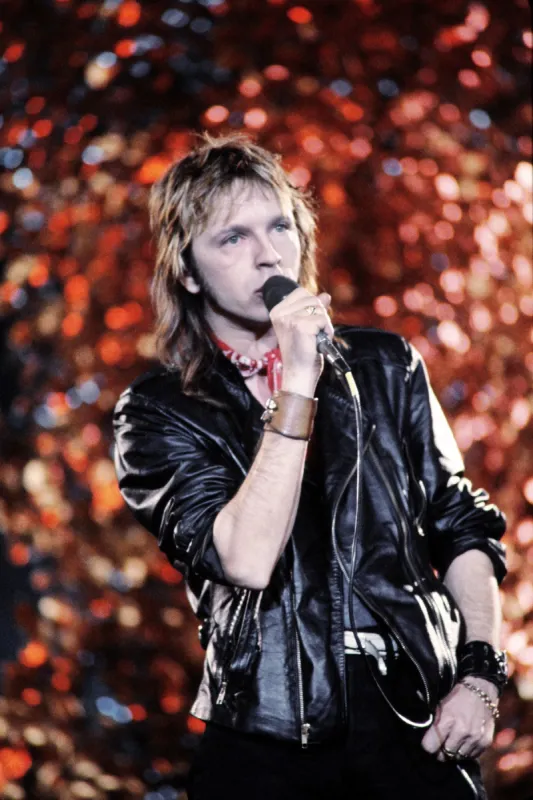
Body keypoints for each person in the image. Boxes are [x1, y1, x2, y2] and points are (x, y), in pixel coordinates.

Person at [113, 133, 508, 800]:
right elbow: (245, 557)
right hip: (267, 735)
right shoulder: (159, 412)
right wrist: (298, 383)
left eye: (278, 226)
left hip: (414, 717)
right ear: (188, 273)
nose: (268, 253)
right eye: (232, 238)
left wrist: (479, 677)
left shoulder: (385, 366)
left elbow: (461, 525)